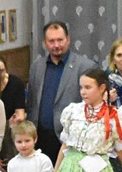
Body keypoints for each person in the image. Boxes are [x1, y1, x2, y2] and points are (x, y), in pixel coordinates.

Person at [29, 21, 94, 159]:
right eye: (51, 41)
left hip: (70, 139)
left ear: (68, 40)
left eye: (60, 40)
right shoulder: (37, 67)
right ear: (44, 43)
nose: (56, 45)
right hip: (39, 139)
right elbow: (32, 103)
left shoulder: (85, 67)